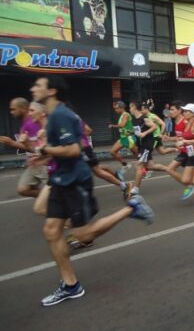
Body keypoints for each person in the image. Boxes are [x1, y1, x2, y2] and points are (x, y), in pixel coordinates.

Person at [30, 75, 154, 307]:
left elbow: (74, 149)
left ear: (52, 91)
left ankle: (131, 208)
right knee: (51, 229)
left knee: (84, 235)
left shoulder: (62, 114)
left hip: (75, 180)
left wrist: (46, 148)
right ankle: (70, 285)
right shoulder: (54, 115)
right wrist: (44, 155)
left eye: (38, 85)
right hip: (60, 179)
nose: (33, 88)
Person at [0, 98, 48, 198]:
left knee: (57, 188)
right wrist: (12, 143)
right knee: (23, 189)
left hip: (42, 162)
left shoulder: (33, 122)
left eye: (14, 109)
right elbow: (29, 146)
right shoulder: (25, 124)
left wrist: (12, 143)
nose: (11, 112)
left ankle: (56, 200)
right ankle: (51, 199)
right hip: (33, 162)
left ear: (23, 108)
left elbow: (38, 147)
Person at [108, 101, 137, 180]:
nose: (115, 110)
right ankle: (125, 165)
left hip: (129, 138)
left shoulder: (126, 115)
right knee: (112, 152)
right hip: (123, 138)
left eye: (116, 108)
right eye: (114, 108)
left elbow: (122, 125)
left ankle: (147, 168)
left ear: (121, 108)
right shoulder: (121, 115)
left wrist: (113, 125)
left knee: (138, 155)